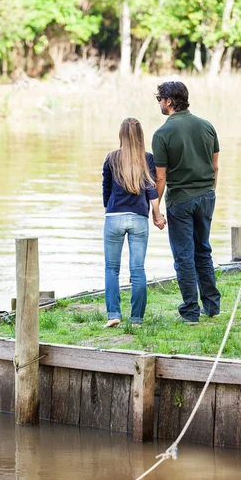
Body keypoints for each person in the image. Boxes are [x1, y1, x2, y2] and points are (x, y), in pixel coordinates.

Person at [152, 81, 221, 325]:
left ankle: (191, 311)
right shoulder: (207, 126)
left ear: (169, 101)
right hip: (206, 196)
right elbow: (215, 167)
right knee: (203, 250)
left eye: (159, 98)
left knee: (184, 256)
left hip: (180, 200)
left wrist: (156, 208)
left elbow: (160, 177)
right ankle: (212, 306)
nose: (158, 102)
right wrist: (209, 192)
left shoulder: (162, 134)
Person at [102, 117, 166, 328]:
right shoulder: (147, 159)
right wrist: (157, 215)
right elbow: (151, 191)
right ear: (140, 136)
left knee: (112, 269)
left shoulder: (111, 159)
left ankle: (113, 314)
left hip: (114, 218)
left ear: (121, 135)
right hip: (139, 218)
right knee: (137, 269)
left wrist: (110, 208)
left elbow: (106, 190)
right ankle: (137, 318)